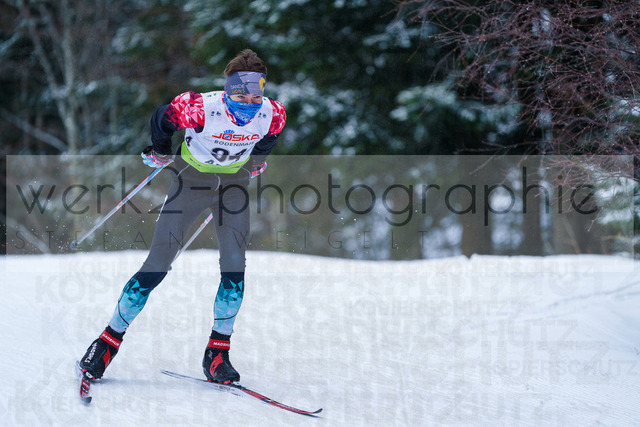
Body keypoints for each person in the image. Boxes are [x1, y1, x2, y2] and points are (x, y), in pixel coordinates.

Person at [78, 49, 286, 384]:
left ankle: (217, 354)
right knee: (157, 263)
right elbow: (162, 119)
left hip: (233, 186)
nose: (248, 104)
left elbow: (270, 137)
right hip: (191, 181)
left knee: (235, 268)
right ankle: (106, 343)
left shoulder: (272, 113)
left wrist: (257, 161)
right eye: (241, 97)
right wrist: (161, 151)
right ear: (228, 91)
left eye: (255, 97)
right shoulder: (200, 107)